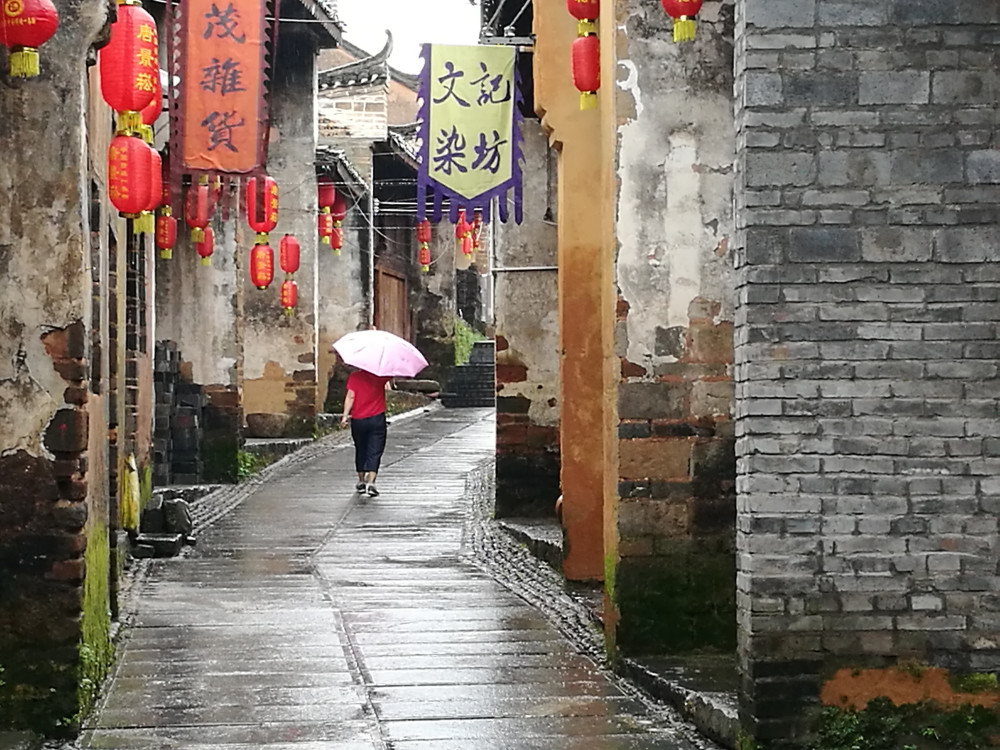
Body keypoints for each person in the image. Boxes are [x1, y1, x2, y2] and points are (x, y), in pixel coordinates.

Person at [340, 367, 391, 497]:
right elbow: (390, 382)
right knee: (375, 449)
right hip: (377, 418)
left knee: (360, 448)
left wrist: (345, 416)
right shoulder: (380, 377)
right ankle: (371, 482)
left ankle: (361, 480)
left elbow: (351, 396)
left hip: (358, 419)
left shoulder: (354, 377)